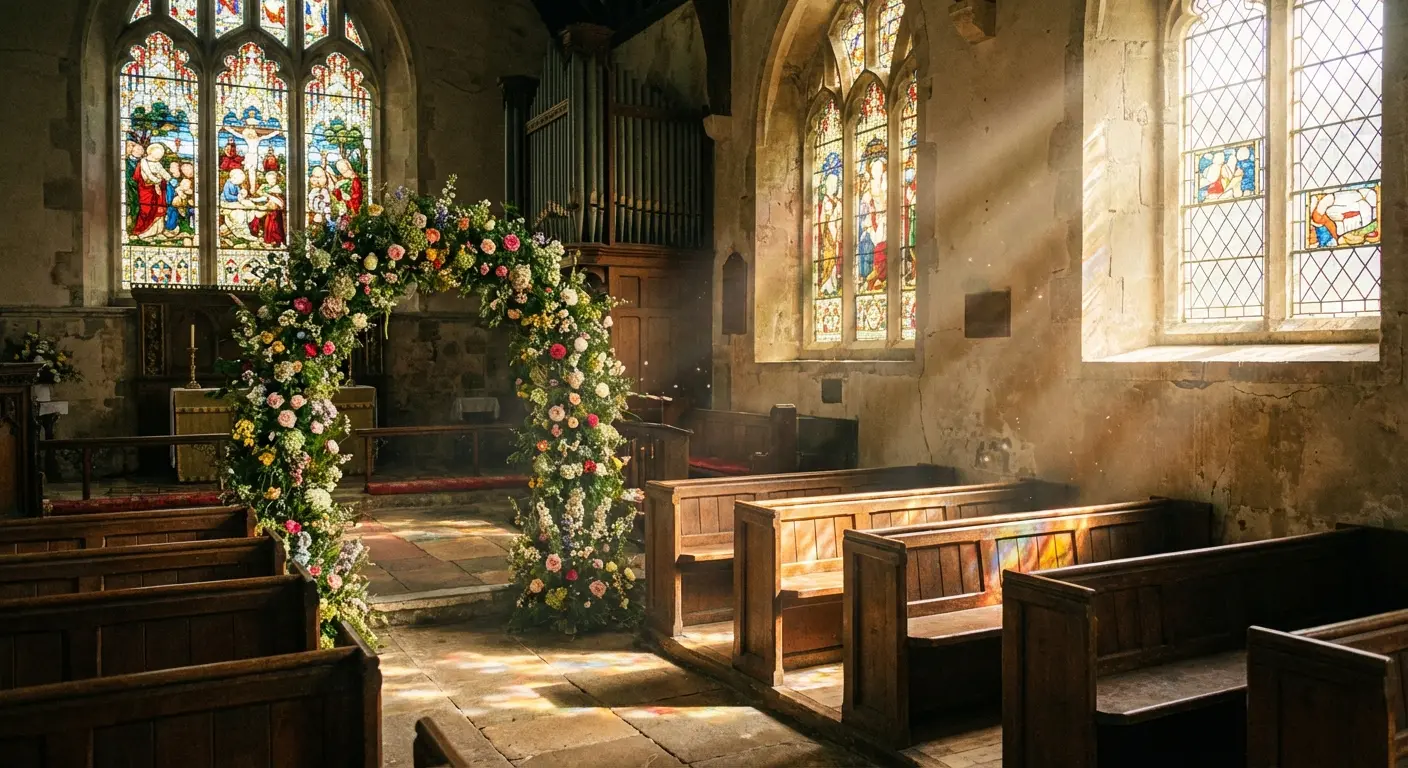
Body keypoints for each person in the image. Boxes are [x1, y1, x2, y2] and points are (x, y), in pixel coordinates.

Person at [856, 139, 888, 292]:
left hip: (884, 225)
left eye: (879, 171)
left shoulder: (886, 189)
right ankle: (871, 278)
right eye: (873, 172)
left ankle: (880, 278)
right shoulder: (868, 195)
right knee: (869, 245)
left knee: (881, 247)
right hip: (872, 228)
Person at [131, 143, 171, 240]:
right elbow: (148, 174)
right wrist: (157, 180)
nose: (158, 158)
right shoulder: (144, 161)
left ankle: (157, 231)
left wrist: (167, 177)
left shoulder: (157, 163)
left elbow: (163, 171)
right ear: (151, 153)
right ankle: (144, 232)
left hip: (158, 189)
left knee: (159, 208)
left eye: (160, 156)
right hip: (147, 188)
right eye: (157, 155)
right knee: (147, 209)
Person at [250, 170, 286, 247]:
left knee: (275, 226)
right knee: (268, 224)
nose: (272, 181)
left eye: (273, 178)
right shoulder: (267, 188)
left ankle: (277, 240)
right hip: (270, 210)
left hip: (276, 211)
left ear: (276, 179)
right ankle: (266, 238)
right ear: (266, 180)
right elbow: (264, 197)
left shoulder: (277, 187)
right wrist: (253, 200)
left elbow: (271, 196)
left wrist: (265, 192)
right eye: (269, 179)